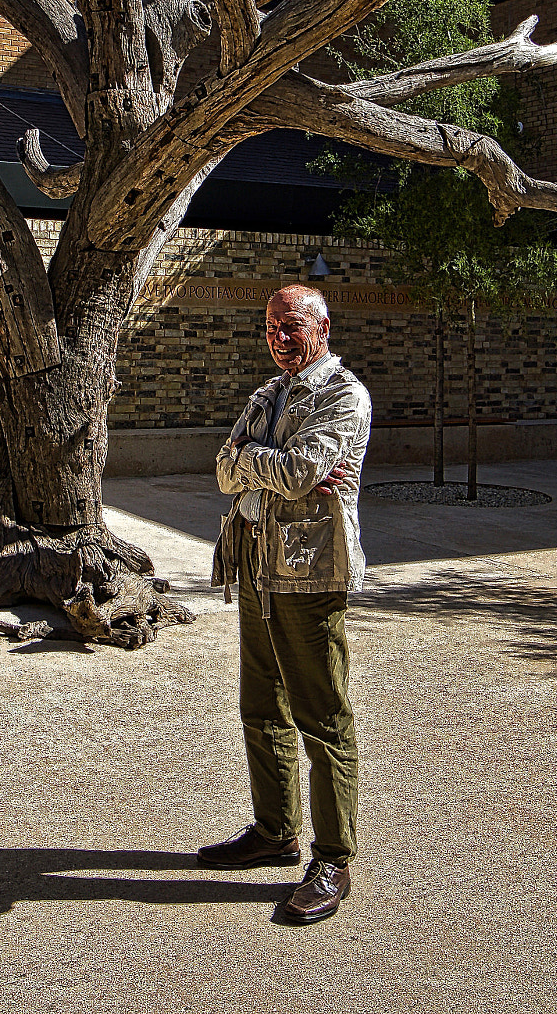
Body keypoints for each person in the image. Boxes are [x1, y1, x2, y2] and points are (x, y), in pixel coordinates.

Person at [199, 283, 371, 925]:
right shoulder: (264, 396)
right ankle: (274, 830)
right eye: (269, 325)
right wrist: (256, 461)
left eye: (290, 325)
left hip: (309, 570)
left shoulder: (343, 395)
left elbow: (303, 473)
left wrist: (254, 460)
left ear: (322, 327)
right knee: (260, 703)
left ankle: (333, 858)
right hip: (255, 565)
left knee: (321, 713)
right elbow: (221, 470)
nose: (278, 336)